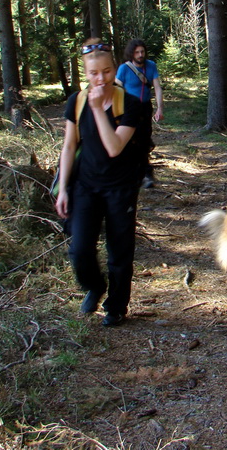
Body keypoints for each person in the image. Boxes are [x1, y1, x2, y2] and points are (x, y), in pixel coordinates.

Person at [54, 39, 147, 326]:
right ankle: (95, 286)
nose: (101, 79)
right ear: (86, 73)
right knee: (80, 249)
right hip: (85, 185)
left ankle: (116, 307)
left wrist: (98, 109)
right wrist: (63, 189)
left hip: (121, 186)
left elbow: (114, 147)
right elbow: (69, 146)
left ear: (114, 69)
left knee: (119, 250)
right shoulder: (77, 101)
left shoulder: (130, 104)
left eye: (106, 71)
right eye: (94, 73)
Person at [115, 38, 164, 188]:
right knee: (129, 140)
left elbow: (157, 87)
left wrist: (160, 108)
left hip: (145, 107)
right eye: (137, 52)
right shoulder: (124, 68)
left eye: (142, 51)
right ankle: (131, 172)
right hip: (129, 109)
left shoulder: (151, 66)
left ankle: (146, 174)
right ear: (132, 53)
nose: (140, 54)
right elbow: (117, 89)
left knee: (144, 139)